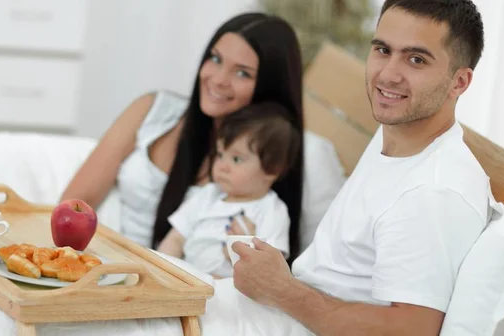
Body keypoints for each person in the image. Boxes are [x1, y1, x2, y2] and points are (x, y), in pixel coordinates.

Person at [228, 0, 493, 335]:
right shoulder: (400, 133)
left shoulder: (432, 192)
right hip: (271, 313)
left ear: (459, 83)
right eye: (383, 50)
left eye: (416, 59)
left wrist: (281, 289)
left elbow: (412, 329)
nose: (388, 74)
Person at [59, 12, 344, 264]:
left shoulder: (298, 157)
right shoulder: (152, 110)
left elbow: (313, 267)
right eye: (215, 59)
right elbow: (76, 201)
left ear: (270, 87)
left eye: (242, 73)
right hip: (108, 265)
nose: (218, 79)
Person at [157, 101, 300, 279]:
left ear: (272, 169)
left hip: (228, 292)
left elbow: (269, 274)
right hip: (185, 280)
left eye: (236, 159)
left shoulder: (272, 211)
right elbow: (176, 239)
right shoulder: (208, 195)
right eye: (220, 154)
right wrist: (159, 270)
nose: (222, 166)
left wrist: (242, 254)